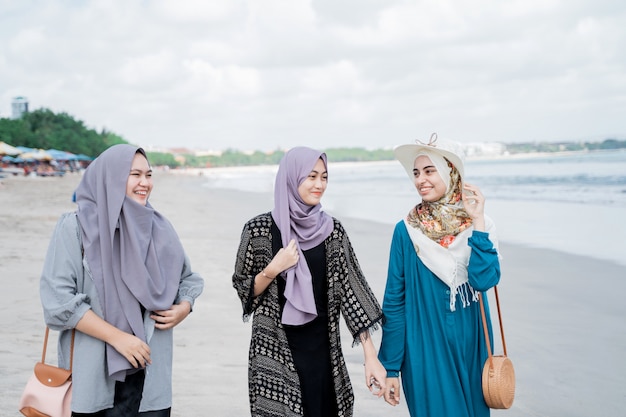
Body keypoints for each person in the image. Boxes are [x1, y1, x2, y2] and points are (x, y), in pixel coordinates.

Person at [40, 144, 204, 416]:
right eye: (134, 174)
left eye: (148, 175)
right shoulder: (76, 227)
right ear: (110, 178)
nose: (145, 183)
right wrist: (118, 338)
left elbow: (188, 278)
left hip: (150, 376)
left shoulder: (158, 228)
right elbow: (57, 303)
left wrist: (184, 307)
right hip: (95, 375)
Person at [232, 146, 387, 417]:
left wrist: (370, 356)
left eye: (324, 177)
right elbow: (246, 292)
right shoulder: (257, 231)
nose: (319, 185)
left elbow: (353, 293)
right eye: (311, 176)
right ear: (292, 178)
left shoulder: (333, 231)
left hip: (324, 355)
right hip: (273, 353)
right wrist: (272, 269)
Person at [378, 134, 501, 416]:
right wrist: (392, 367)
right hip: (424, 345)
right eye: (417, 173)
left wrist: (479, 223)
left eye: (430, 170)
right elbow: (395, 302)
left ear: (451, 172)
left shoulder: (480, 225)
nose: (421, 179)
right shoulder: (406, 230)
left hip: (473, 344)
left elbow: (484, 281)